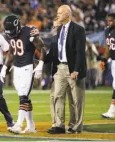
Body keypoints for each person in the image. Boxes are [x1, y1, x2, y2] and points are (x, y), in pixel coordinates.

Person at [1, 15, 46, 134]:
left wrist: (40, 64)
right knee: (25, 97)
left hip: (28, 67)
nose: (10, 34)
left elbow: (42, 48)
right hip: (17, 68)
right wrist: (5, 66)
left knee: (23, 97)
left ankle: (19, 124)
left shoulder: (29, 31)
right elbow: (11, 52)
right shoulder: (12, 35)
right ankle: (31, 126)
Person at [47, 5, 86, 134]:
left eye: (60, 13)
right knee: (57, 95)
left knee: (76, 99)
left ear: (67, 15)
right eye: (57, 13)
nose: (57, 15)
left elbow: (80, 52)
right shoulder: (60, 30)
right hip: (61, 68)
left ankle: (76, 126)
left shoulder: (78, 29)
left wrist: (76, 70)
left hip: (72, 68)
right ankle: (59, 125)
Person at [41, 19, 75, 133]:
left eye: (56, 27)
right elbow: (50, 56)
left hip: (70, 71)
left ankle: (72, 125)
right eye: (54, 27)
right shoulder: (54, 39)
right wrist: (39, 59)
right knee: (54, 98)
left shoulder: (70, 38)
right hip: (57, 73)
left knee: (72, 99)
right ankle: (56, 124)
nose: (54, 29)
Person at [100, 13, 115, 119]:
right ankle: (111, 111)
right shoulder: (107, 30)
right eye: (108, 20)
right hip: (114, 61)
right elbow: (107, 48)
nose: (109, 22)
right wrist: (104, 60)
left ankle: (111, 111)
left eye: (111, 20)